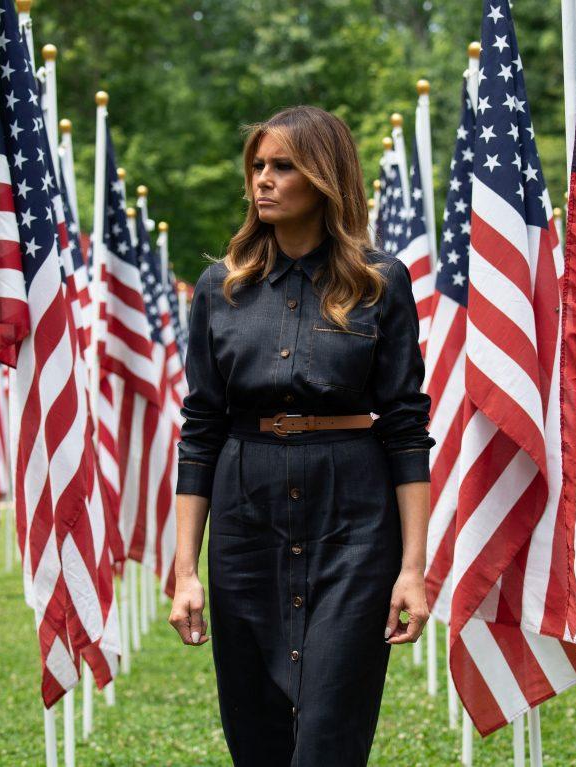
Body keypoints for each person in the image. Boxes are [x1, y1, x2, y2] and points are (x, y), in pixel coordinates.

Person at [168, 104, 434, 766]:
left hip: (354, 526)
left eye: (282, 166)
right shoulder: (219, 289)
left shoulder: (380, 282)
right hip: (244, 521)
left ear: (323, 175)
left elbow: (406, 426)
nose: (263, 179)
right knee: (254, 735)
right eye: (257, 165)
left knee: (330, 737)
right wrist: (184, 570)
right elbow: (199, 430)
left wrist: (413, 569)